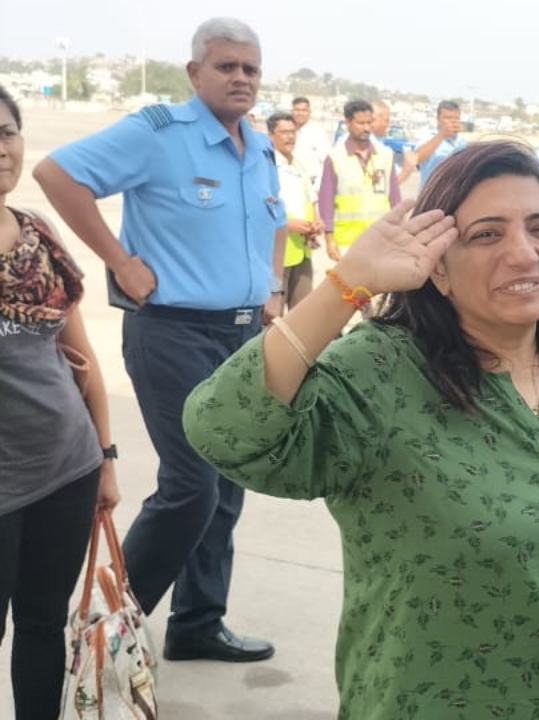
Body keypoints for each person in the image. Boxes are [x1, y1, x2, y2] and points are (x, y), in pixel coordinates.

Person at [182, 141, 539, 720]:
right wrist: (347, 285)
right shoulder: (381, 370)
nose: (524, 254)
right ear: (437, 265)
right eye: (487, 235)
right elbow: (223, 428)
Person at [32, 16, 283, 663]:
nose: (240, 79)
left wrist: (273, 288)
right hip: (173, 332)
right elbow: (57, 173)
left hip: (243, 334)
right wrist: (118, 259)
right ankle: (105, 637)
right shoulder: (158, 134)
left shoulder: (259, 149)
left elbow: (266, 229)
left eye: (250, 69)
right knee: (191, 487)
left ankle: (198, 623)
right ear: (195, 72)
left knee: (228, 488)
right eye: (226, 66)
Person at [0, 84, 119, 720]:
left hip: (66, 469)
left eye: (7, 133)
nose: (1, 149)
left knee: (43, 624)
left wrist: (105, 457)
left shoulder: (38, 238)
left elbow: (82, 362)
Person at [318, 99, 401, 262]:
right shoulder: (335, 158)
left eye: (369, 123)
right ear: (348, 123)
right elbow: (325, 202)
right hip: (347, 244)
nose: (366, 128)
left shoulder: (385, 155)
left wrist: (398, 233)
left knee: (380, 287)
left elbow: (395, 199)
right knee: (348, 288)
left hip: (380, 240)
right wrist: (329, 239)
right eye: (360, 123)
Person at [267, 112, 323, 309]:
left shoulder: (299, 165)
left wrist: (317, 221)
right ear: (271, 135)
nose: (289, 137)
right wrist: (287, 224)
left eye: (293, 132)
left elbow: (312, 199)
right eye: (283, 132)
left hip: (302, 251)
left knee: (302, 311)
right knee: (272, 312)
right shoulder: (266, 166)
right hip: (276, 255)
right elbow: (260, 207)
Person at [400, 100, 467, 190]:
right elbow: (415, 158)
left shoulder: (462, 143)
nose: (452, 122)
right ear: (438, 119)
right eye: (448, 118)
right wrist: (442, 134)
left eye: (456, 118)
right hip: (431, 197)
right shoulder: (428, 138)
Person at [291, 95, 330, 188]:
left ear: (309, 113)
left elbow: (327, 162)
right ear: (291, 111)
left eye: (304, 110)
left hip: (312, 185)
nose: (300, 113)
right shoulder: (287, 132)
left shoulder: (317, 133)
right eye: (297, 110)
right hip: (290, 184)